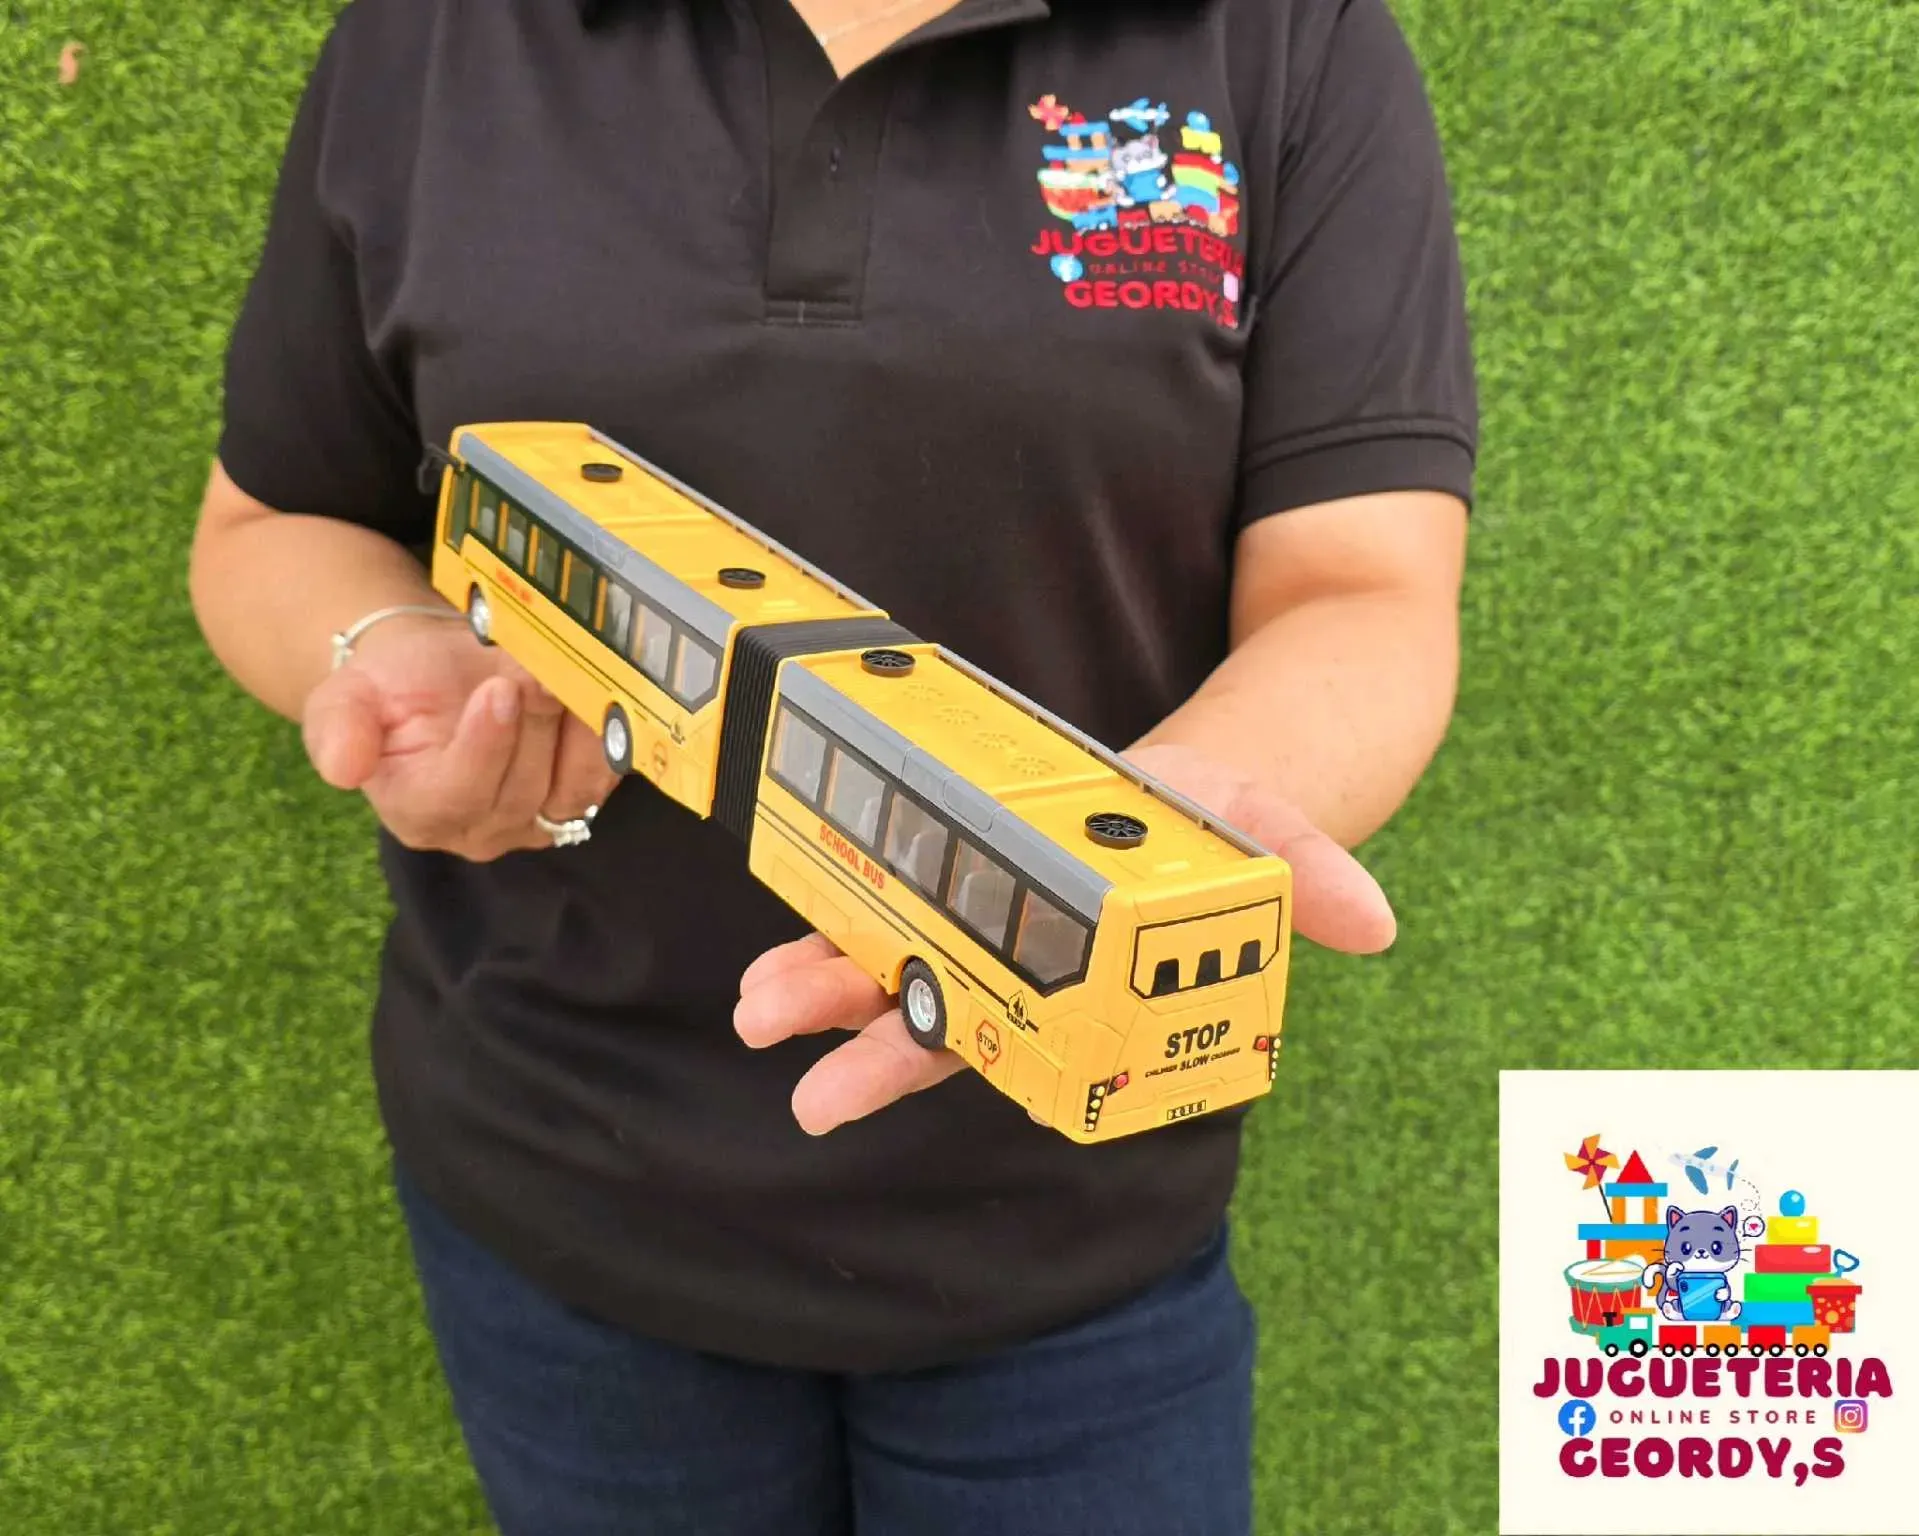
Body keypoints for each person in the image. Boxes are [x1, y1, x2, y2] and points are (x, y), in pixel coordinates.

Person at [187, 0, 1476, 1531]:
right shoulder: (434, 39)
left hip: (1080, 1214)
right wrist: (392, 648)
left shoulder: (1283, 40)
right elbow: (278, 516)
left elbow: (1360, 588)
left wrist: (1123, 853)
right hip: (560, 1182)